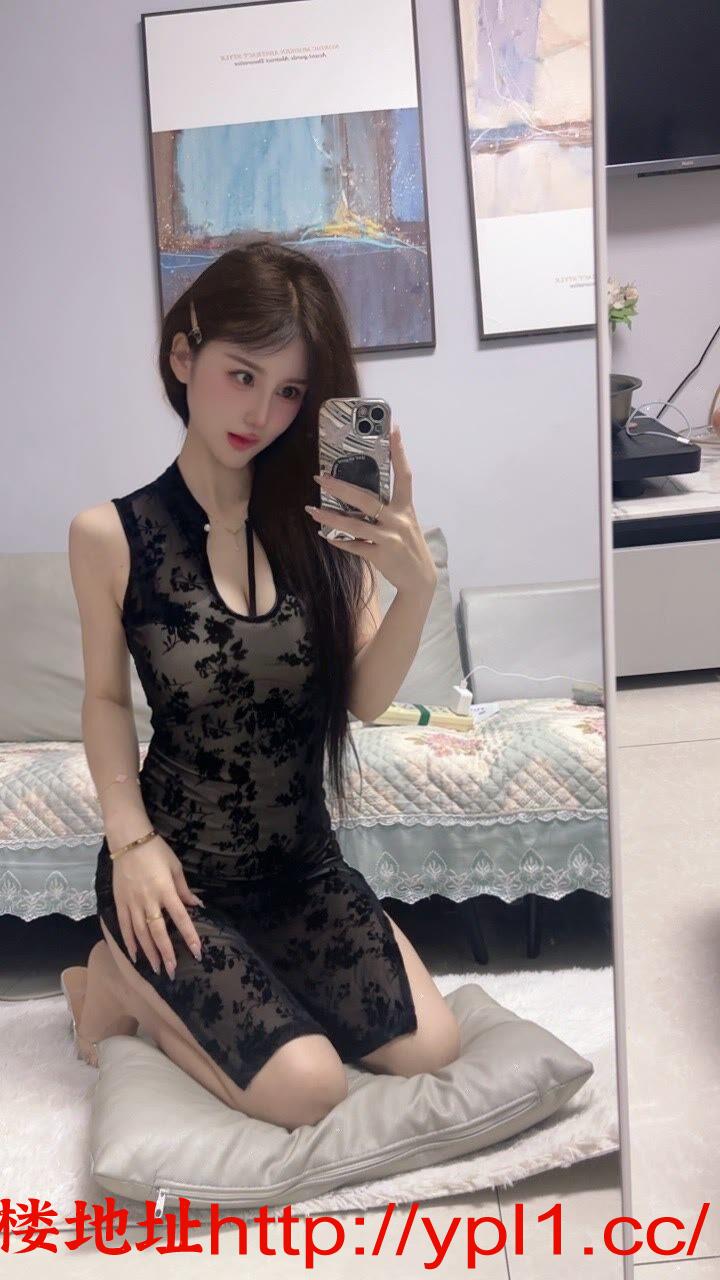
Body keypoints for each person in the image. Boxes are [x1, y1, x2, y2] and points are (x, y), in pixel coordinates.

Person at [61, 241, 461, 1131]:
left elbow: (364, 700)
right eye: (242, 375)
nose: (261, 413)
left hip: (303, 870)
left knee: (433, 1050)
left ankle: (236, 984)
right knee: (309, 1088)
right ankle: (114, 971)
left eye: (288, 392)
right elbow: (104, 700)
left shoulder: (319, 526)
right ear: (184, 355)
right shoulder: (110, 536)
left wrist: (415, 588)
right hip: (175, 878)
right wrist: (131, 843)